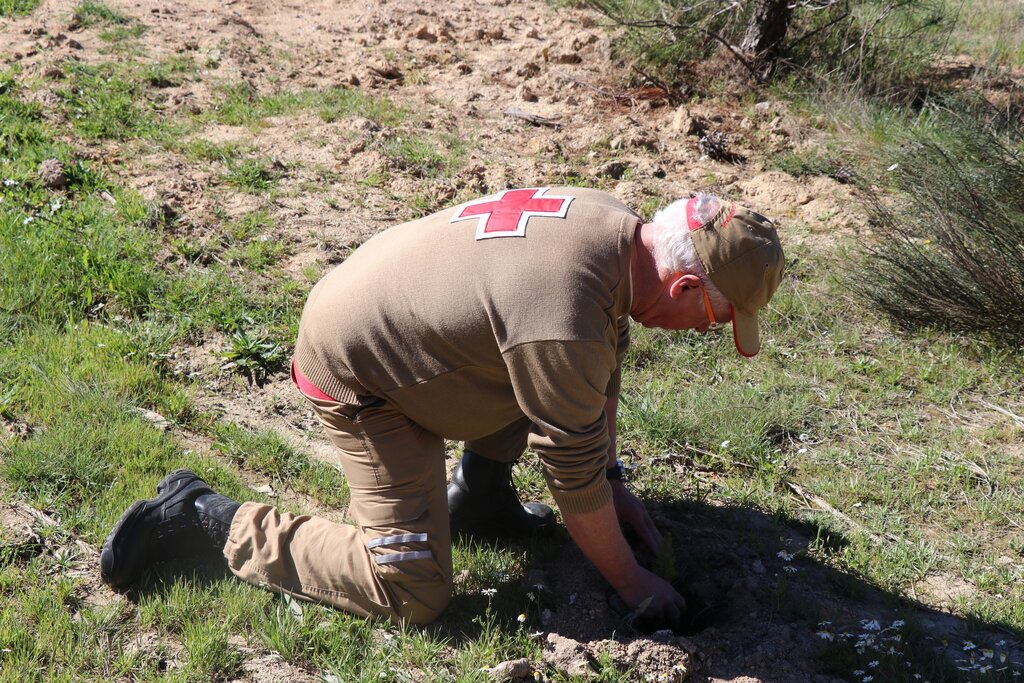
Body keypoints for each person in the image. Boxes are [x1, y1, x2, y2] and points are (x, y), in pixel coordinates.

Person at [100, 187, 784, 628]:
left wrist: (613, 479)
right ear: (684, 285)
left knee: (550, 377)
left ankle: (481, 498)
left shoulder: (613, 228)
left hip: (393, 317)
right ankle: (202, 517)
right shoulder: (565, 315)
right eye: (717, 319)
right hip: (358, 374)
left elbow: (601, 365)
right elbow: (572, 472)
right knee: (410, 589)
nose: (709, 331)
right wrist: (634, 583)